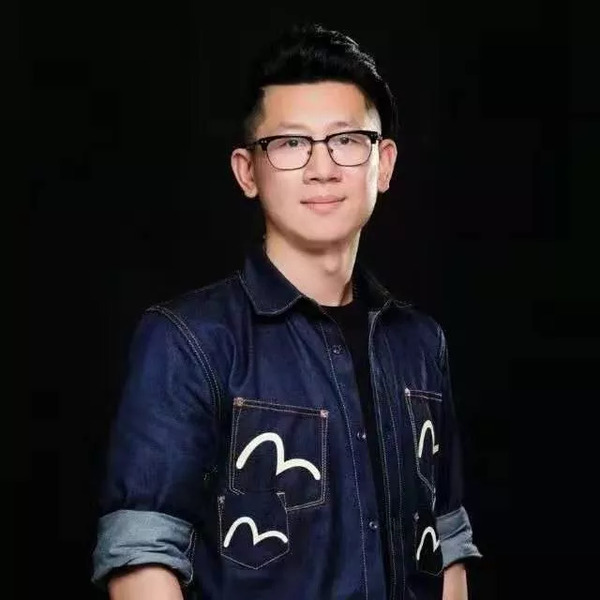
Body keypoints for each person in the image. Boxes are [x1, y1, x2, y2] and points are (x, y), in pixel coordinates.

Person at [91, 23, 481, 600]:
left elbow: (446, 541)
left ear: (384, 163)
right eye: (292, 143)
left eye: (347, 140)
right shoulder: (189, 341)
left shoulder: (420, 344)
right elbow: (143, 557)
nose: (323, 167)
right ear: (247, 171)